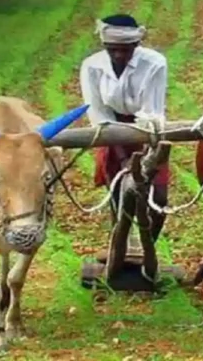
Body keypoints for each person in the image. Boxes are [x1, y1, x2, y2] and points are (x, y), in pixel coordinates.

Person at [79, 13, 170, 245]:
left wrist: (143, 159)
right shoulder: (92, 66)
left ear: (136, 44)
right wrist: (122, 159)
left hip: (147, 130)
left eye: (126, 49)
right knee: (119, 193)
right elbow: (99, 114)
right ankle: (120, 247)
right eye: (112, 49)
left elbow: (151, 112)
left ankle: (147, 248)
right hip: (111, 132)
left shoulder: (155, 63)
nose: (119, 55)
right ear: (104, 45)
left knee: (158, 198)